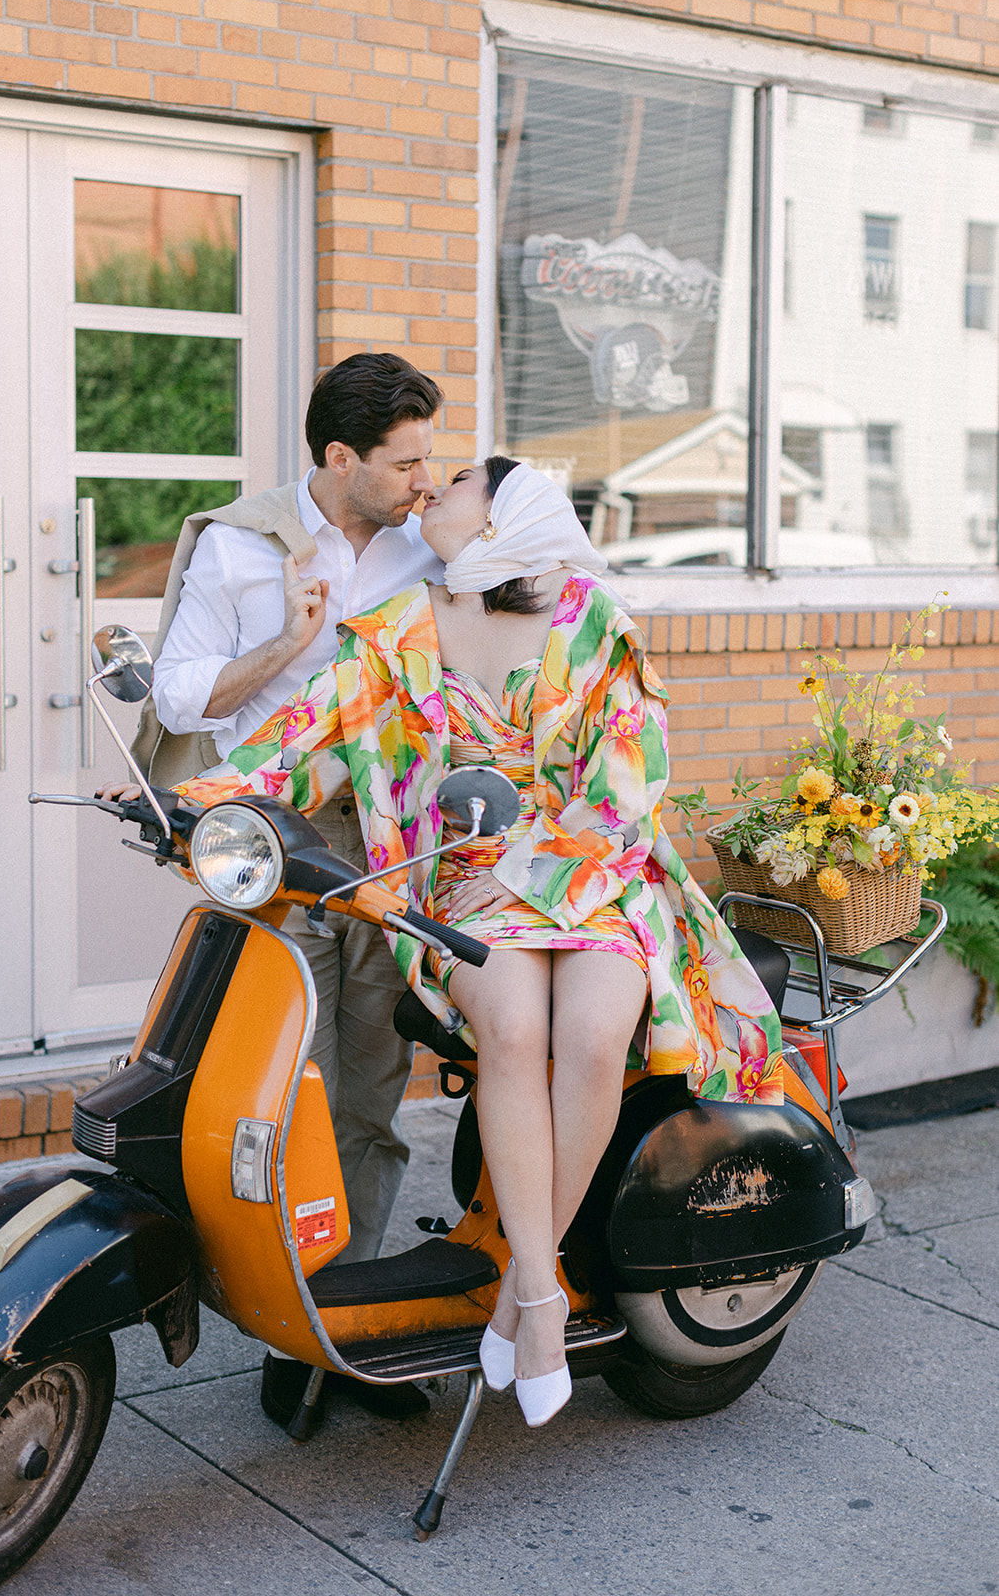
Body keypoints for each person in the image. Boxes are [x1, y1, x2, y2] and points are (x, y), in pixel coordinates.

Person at [174, 458, 784, 1428]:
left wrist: (538, 860)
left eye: (456, 480)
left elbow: (631, 773)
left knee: (589, 1033)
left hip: (589, 869)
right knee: (509, 1026)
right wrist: (194, 798)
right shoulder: (400, 630)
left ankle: (522, 1289)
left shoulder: (589, 616)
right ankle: (535, 1293)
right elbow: (300, 732)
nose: (434, 490)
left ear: (506, 514)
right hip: (467, 876)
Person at [123, 353, 446, 1425]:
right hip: (270, 847)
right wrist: (284, 648)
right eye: (403, 462)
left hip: (387, 844)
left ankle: (349, 1320)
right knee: (280, 1086)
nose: (421, 478)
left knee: (371, 1075)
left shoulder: (423, 544)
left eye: (428, 458)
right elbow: (178, 694)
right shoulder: (238, 547)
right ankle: (281, 1314)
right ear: (339, 457)